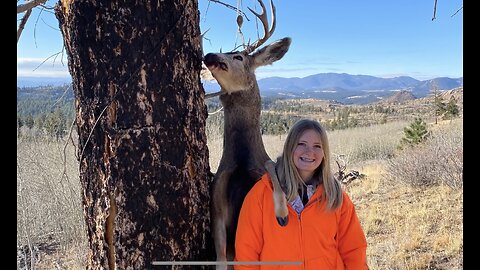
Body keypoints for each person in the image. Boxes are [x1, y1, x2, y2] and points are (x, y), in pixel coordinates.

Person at [234, 119, 368, 269]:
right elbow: (247, 256)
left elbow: (354, 251)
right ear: (290, 147)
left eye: (317, 146)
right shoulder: (262, 194)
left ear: (324, 153)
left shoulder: (335, 197)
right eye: (301, 144)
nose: (309, 152)